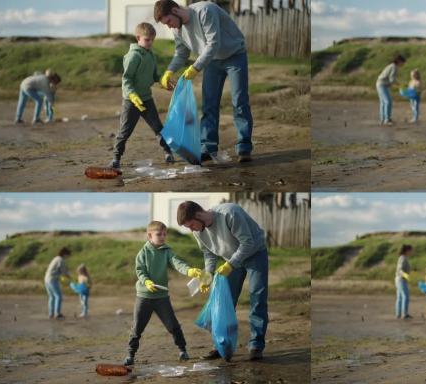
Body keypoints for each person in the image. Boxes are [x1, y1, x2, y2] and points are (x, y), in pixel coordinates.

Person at [154, 0, 254, 163]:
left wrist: (195, 68)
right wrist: (169, 71)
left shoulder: (205, 11)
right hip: (212, 62)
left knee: (239, 102)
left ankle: (244, 148)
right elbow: (181, 53)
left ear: (175, 10)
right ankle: (208, 148)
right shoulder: (178, 29)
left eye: (169, 22)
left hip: (234, 56)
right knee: (209, 105)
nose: (169, 26)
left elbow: (213, 44)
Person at [177, 200, 269, 361]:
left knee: (257, 297)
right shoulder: (198, 232)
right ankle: (222, 345)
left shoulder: (230, 213)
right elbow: (209, 253)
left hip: (255, 253)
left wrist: (230, 264)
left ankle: (256, 345)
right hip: (231, 260)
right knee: (223, 302)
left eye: (191, 225)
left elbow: (248, 243)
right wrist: (208, 275)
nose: (191, 230)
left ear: (199, 215)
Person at [123, 220, 203, 366]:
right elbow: (140, 271)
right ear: (149, 236)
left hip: (161, 298)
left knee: (173, 325)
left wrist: (189, 270)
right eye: (159, 234)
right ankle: (130, 354)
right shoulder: (143, 253)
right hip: (144, 297)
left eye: (164, 234)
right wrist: (146, 282)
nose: (162, 237)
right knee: (137, 328)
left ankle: (182, 350)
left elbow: (178, 263)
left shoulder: (167, 251)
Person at [110, 22, 175, 170]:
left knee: (158, 127)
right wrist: (132, 96)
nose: (150, 43)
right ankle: (115, 158)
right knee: (125, 131)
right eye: (147, 40)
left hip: (146, 98)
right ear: (138, 38)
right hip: (131, 101)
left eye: (152, 39)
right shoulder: (133, 56)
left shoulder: (151, 55)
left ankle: (168, 152)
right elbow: (126, 80)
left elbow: (154, 76)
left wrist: (162, 81)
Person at [376, 54, 406, 126]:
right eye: (402, 62)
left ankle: (383, 119)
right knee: (388, 101)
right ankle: (387, 120)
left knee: (383, 102)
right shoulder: (394, 67)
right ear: (399, 61)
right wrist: (400, 85)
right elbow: (392, 79)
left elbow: (391, 79)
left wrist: (398, 84)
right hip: (382, 85)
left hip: (380, 84)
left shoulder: (392, 65)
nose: (403, 64)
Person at [44, 247, 72, 319]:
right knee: (58, 296)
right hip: (52, 279)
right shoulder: (61, 260)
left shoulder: (56, 258)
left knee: (51, 297)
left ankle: (51, 314)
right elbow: (64, 272)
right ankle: (57, 314)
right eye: (68, 255)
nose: (68, 257)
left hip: (47, 279)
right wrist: (70, 277)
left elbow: (61, 270)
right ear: (65, 254)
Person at [394, 244, 412, 319]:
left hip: (399, 279)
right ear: (407, 251)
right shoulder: (402, 258)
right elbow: (400, 269)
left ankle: (398, 314)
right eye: (411, 250)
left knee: (400, 297)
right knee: (405, 296)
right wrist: (405, 275)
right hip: (401, 279)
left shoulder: (404, 257)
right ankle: (404, 314)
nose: (412, 252)